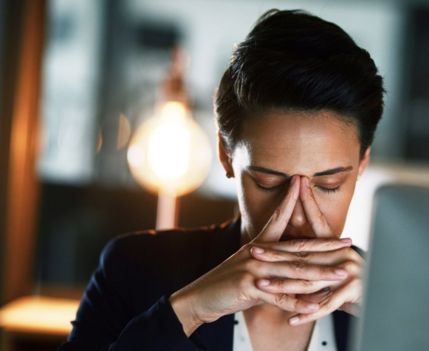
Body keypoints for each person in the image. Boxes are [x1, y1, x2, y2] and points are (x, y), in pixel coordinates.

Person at [59, 8, 384, 351]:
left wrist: (387, 320)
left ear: (362, 161)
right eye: (269, 183)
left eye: (327, 185)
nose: (298, 215)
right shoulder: (133, 270)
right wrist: (190, 310)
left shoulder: (399, 297)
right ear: (225, 155)